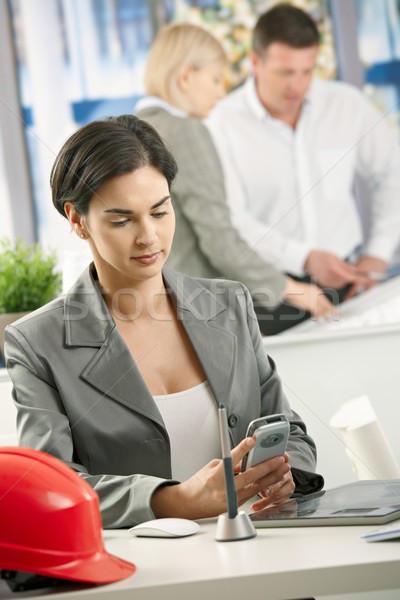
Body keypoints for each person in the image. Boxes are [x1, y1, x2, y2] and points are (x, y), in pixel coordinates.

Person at [5, 115, 323, 530]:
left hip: (258, 549)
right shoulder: (36, 343)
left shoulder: (229, 303)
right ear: (77, 219)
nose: (149, 236)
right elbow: (52, 488)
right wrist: (173, 500)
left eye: (160, 211)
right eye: (122, 220)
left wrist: (287, 475)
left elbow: (290, 431)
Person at [135, 22, 336, 335]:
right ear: (186, 77)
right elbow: (219, 238)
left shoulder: (130, 130)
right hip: (201, 313)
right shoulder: (187, 132)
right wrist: (289, 288)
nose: (221, 92)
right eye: (216, 79)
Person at [207, 3, 400, 329]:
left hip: (349, 283)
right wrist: (304, 257)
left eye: (306, 71)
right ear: (256, 62)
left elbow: (391, 173)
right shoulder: (221, 124)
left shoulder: (346, 105)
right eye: (285, 72)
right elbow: (231, 218)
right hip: (271, 295)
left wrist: (379, 252)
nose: (296, 85)